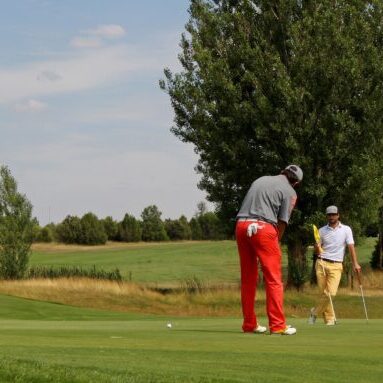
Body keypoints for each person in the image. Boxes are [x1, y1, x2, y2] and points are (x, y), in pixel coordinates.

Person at [236, 164, 303, 335]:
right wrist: (276, 241)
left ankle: (249, 324)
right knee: (273, 279)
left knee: (248, 279)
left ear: (283, 172)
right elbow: (282, 221)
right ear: (295, 183)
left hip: (241, 226)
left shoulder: (261, 179)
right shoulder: (290, 192)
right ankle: (277, 325)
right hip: (263, 228)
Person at [309, 205, 362, 325]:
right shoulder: (322, 231)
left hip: (336, 265)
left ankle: (314, 312)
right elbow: (317, 251)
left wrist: (355, 263)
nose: (331, 217)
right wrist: (317, 248)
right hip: (321, 262)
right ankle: (330, 319)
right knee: (324, 293)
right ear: (327, 216)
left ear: (338, 215)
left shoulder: (346, 229)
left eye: (334, 214)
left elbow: (351, 247)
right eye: (329, 215)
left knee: (331, 293)